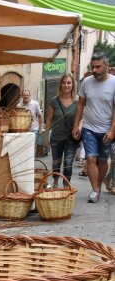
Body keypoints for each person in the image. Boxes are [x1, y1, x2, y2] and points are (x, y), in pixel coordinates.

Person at [72, 51, 115, 203]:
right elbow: (81, 104)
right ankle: (95, 190)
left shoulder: (114, 82)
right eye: (93, 67)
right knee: (90, 158)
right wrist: (76, 125)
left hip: (106, 130)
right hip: (89, 128)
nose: (94, 70)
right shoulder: (87, 82)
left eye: (98, 67)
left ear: (107, 66)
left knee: (103, 160)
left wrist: (112, 130)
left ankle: (98, 186)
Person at [44, 73, 79, 188]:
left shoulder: (78, 101)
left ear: (73, 85)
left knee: (68, 163)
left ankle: (65, 185)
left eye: (69, 83)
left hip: (71, 138)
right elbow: (48, 120)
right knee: (56, 162)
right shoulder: (54, 102)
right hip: (56, 137)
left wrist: (79, 127)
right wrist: (45, 137)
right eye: (64, 83)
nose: (66, 85)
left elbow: (82, 117)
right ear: (60, 85)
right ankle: (55, 181)